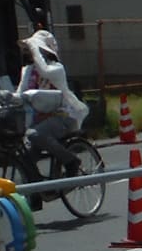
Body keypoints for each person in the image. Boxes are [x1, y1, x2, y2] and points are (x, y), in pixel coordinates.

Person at [15, 24, 89, 176]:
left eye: (34, 49)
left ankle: (71, 161)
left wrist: (35, 48)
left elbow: (44, 71)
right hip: (37, 120)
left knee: (34, 135)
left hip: (63, 116)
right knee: (25, 157)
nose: (29, 52)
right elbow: (20, 94)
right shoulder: (28, 70)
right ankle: (37, 190)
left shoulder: (56, 68)